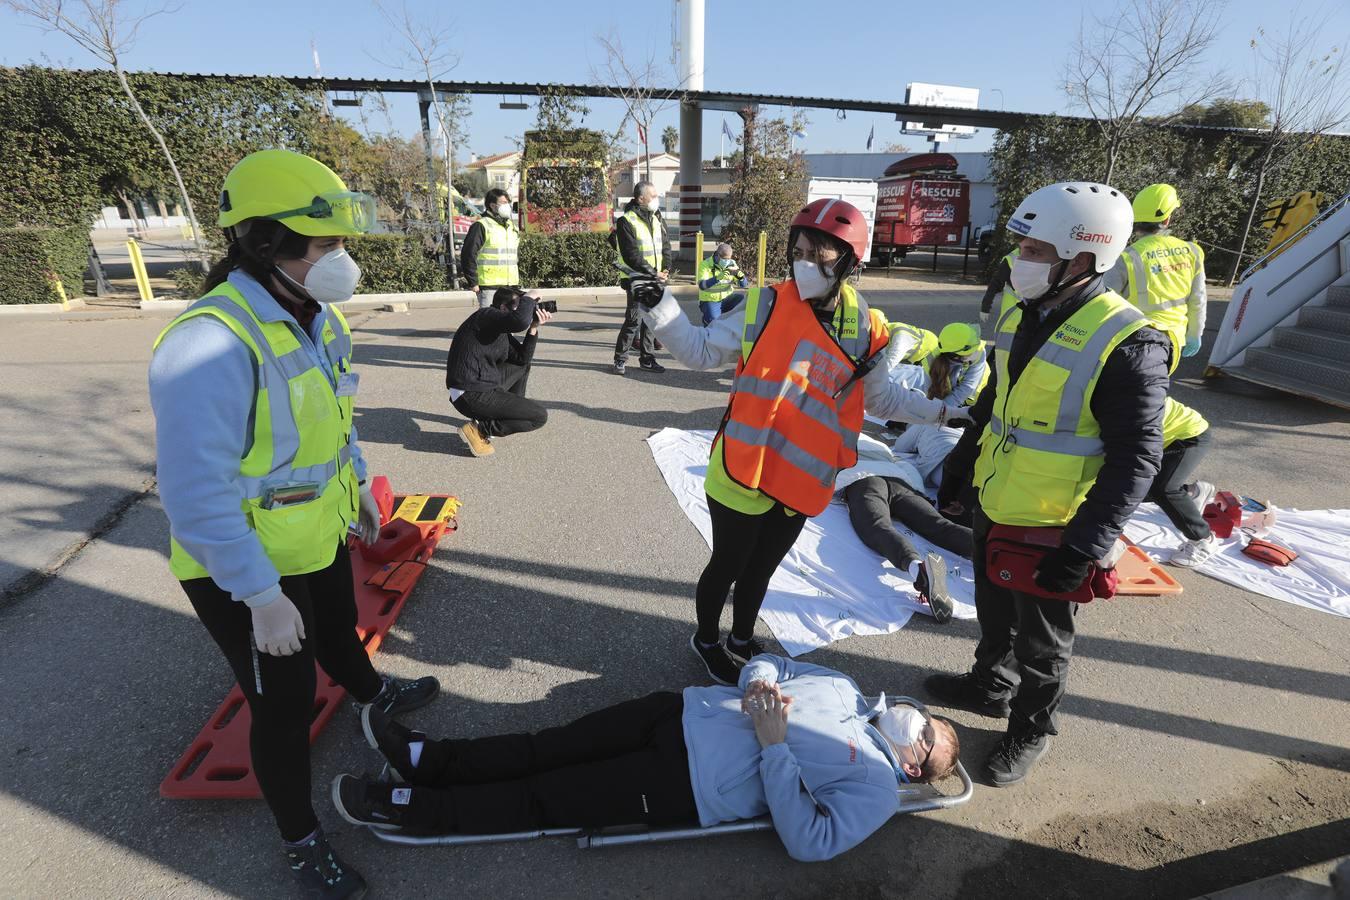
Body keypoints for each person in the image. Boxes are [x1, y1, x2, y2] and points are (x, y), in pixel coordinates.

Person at [148, 149, 440, 898]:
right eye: (327, 246)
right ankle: (300, 839)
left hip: (311, 534)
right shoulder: (210, 341)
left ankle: (374, 696)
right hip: (239, 566)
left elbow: (334, 421)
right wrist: (258, 595)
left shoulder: (318, 318)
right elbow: (192, 493)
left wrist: (362, 489)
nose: (343, 261)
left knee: (339, 633)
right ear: (267, 244)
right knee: (280, 707)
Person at [631, 198, 975, 684]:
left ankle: (742, 638)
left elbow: (883, 401)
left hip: (803, 476)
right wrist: (660, 308)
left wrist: (946, 411)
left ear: (850, 262)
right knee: (729, 563)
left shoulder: (867, 327)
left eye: (820, 253)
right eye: (799, 250)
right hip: (744, 467)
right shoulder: (764, 304)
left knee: (763, 568)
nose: (804, 262)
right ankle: (707, 640)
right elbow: (700, 350)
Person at [926, 182, 1171, 788]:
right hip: (997, 495)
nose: (1019, 260)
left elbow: (1138, 458)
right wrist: (961, 464)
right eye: (1023, 246)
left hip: (1056, 522)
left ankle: (1032, 727)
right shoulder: (1021, 309)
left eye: (1035, 248)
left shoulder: (1129, 342)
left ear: (1083, 258)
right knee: (992, 611)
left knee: (1044, 641)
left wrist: (1087, 544)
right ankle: (989, 686)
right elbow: (994, 399)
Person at [333, 654, 961, 863]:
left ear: (914, 767)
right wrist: (757, 681)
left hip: (682, 782)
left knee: (544, 796)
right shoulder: (849, 690)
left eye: (927, 739)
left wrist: (775, 751)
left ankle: (411, 806)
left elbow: (811, 841)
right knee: (545, 744)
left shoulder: (876, 787)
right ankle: (426, 758)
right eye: (929, 720)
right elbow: (779, 662)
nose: (918, 724)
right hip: (680, 712)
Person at [843, 474, 974, 623]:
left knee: (878, 526)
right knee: (940, 525)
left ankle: (919, 569)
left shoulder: (848, 454)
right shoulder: (886, 453)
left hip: (864, 481)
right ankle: (993, 552)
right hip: (900, 482)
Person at [1106, 183, 1207, 365]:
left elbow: (1105, 301)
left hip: (1134, 339)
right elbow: (1198, 298)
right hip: (1174, 342)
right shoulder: (1192, 251)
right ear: (1167, 219)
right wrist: (1195, 333)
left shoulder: (1128, 257)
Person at [445, 287, 553, 457]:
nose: (527, 309)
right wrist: (530, 297)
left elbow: (522, 359)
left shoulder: (500, 330)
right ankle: (480, 430)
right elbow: (519, 321)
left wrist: (533, 327)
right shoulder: (485, 316)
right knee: (539, 416)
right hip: (469, 392)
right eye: (520, 305)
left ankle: (509, 414)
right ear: (503, 307)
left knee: (522, 366)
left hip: (481, 384)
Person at [1152, 397, 1218, 567]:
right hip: (1164, 433)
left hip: (1189, 435)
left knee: (1163, 489)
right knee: (1132, 486)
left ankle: (1202, 539)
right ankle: (1192, 494)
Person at [613, 180, 670, 375]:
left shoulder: (656, 218)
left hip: (656, 278)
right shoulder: (626, 221)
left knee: (651, 321)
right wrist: (654, 272)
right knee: (634, 320)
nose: (657, 199)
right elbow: (631, 255)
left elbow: (665, 245)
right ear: (640, 198)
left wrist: (666, 269)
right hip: (637, 278)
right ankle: (620, 359)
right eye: (653, 196)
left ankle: (647, 359)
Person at [459, 187, 520, 310]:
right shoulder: (481, 225)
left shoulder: (511, 226)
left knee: (509, 322)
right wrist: (473, 282)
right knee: (489, 321)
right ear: (492, 205)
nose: (507, 206)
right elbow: (468, 254)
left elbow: (515, 256)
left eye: (508, 203)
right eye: (503, 203)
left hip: (510, 285)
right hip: (489, 285)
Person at [697, 241, 750, 324]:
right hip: (710, 300)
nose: (727, 261)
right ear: (717, 255)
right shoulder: (705, 265)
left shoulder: (731, 264)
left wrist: (742, 278)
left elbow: (744, 285)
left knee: (744, 301)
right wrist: (717, 278)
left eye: (729, 259)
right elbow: (702, 285)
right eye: (724, 259)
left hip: (727, 298)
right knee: (713, 323)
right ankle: (707, 320)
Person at [980, 247, 1019, 327]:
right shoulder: (1013, 257)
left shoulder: (1049, 255)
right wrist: (985, 307)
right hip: (1012, 318)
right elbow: (996, 283)